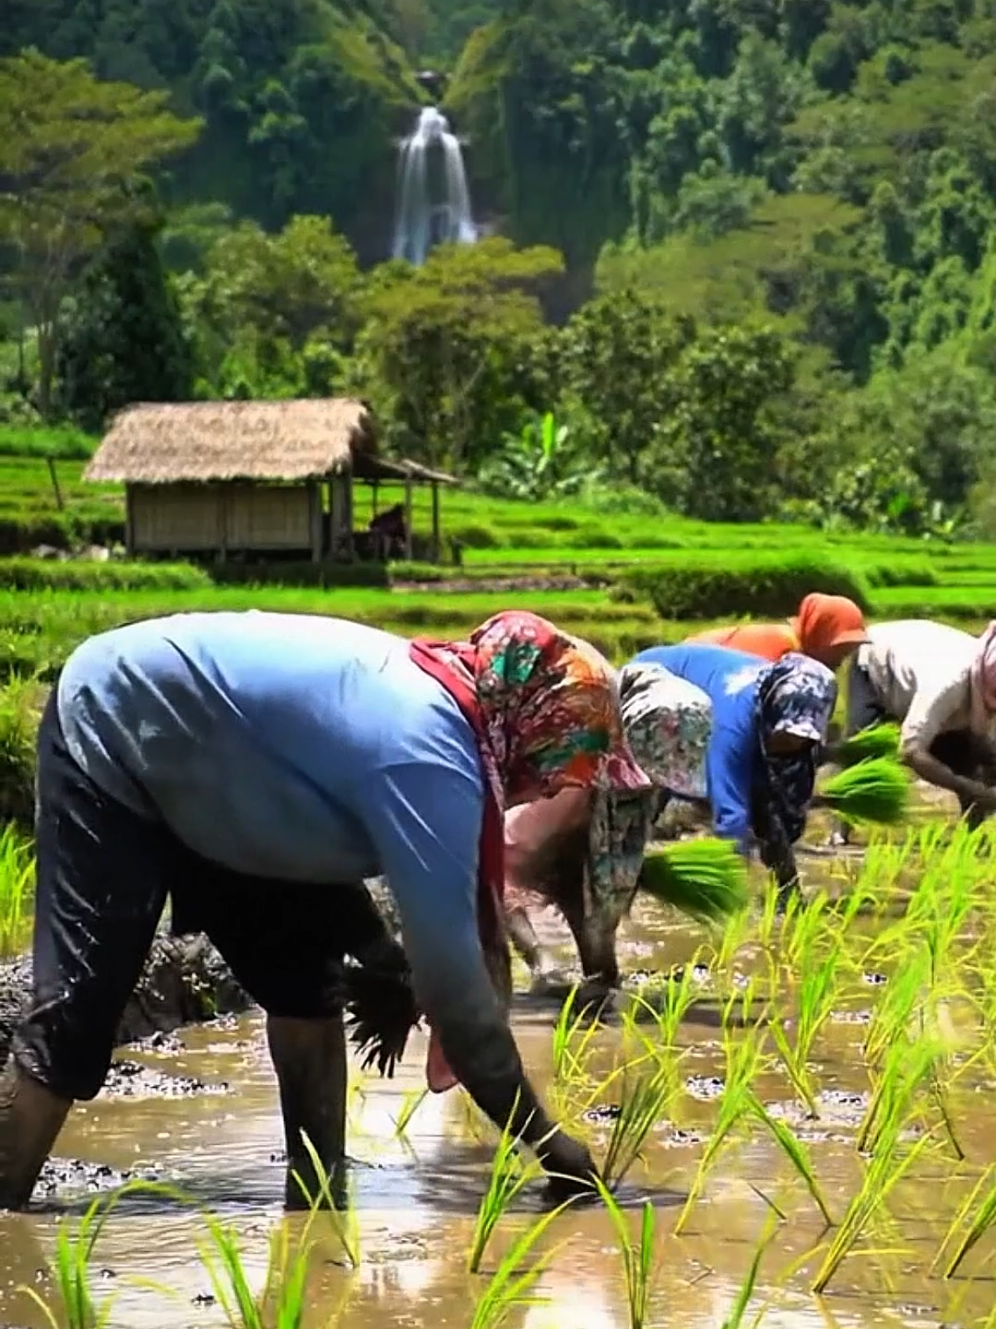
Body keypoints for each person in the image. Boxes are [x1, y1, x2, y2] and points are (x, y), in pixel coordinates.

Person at [0, 609, 650, 1212]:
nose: (558, 783)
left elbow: (323, 834)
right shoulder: (430, 751)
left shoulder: (449, 715)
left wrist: (383, 960)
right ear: (533, 728)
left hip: (236, 775)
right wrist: (553, 1146)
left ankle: (315, 1203)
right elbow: (457, 995)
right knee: (80, 1008)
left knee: (306, 985)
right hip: (118, 722)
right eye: (565, 763)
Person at [502, 661, 713, 997]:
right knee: (519, 859)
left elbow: (616, 860)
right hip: (565, 781)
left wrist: (603, 962)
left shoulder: (669, 742)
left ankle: (596, 971)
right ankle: (542, 965)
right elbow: (509, 857)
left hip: (617, 766)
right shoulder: (572, 758)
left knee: (590, 877)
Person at [632, 643, 837, 901]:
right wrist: (733, 886)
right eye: (785, 734)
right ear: (773, 708)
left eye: (800, 737)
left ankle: (789, 895)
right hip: (654, 684)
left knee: (764, 801)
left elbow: (787, 795)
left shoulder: (796, 708)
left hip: (712, 700)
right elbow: (729, 812)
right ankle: (626, 873)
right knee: (649, 790)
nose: (791, 744)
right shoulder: (734, 725)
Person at [834, 619, 996, 843]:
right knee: (861, 750)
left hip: (921, 660)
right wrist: (967, 787)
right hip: (877, 661)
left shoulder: (987, 677)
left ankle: (973, 834)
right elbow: (910, 751)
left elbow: (985, 746)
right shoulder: (947, 683)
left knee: (975, 760)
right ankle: (839, 830)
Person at [686, 593, 868, 671]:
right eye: (840, 649)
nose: (842, 659)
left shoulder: (795, 654)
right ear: (820, 633)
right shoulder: (778, 652)